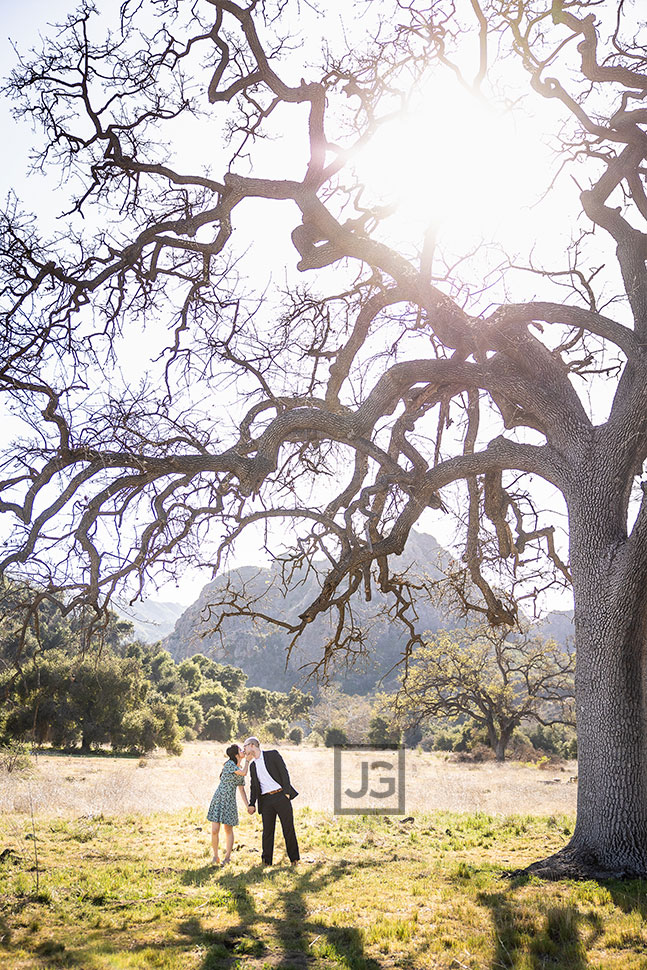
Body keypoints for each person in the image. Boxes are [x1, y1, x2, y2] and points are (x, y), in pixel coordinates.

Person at [243, 735, 300, 867]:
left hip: (281, 797)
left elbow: (284, 774)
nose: (244, 749)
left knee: (288, 828)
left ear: (252, 745)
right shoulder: (252, 766)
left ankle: (294, 859)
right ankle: (266, 861)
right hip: (266, 801)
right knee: (267, 831)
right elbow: (253, 787)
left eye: (245, 746)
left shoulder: (272, 755)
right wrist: (252, 803)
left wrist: (286, 793)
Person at [206, 743, 250, 865]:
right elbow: (244, 773)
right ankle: (215, 856)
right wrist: (247, 761)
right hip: (219, 799)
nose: (243, 751)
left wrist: (248, 806)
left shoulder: (239, 769)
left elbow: (241, 790)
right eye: (241, 750)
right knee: (215, 830)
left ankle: (227, 857)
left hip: (230, 802)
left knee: (228, 829)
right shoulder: (230, 765)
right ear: (236, 754)